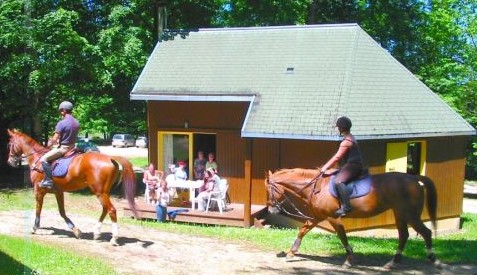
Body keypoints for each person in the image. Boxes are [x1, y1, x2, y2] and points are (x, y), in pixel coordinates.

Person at [320, 116, 364, 217]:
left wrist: (325, 167)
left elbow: (337, 157)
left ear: (341, 128)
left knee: (338, 181)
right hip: (350, 164)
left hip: (354, 165)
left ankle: (347, 207)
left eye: (339, 127)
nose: (338, 129)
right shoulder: (349, 137)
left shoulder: (347, 141)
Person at [39, 101, 80, 188]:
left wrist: (48, 145)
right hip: (73, 147)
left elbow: (54, 139)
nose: (61, 112)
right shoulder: (77, 122)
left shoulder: (61, 123)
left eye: (61, 110)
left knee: (43, 159)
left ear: (64, 111)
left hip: (64, 148)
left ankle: (48, 181)